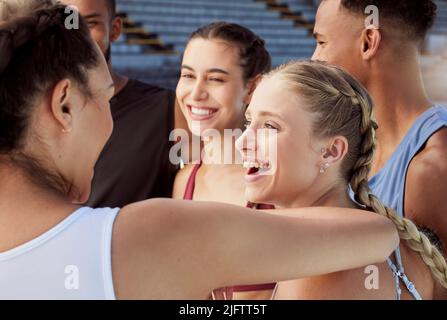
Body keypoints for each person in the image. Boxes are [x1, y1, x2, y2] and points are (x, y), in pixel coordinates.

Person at [0, 0, 399, 300]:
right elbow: (377, 233)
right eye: (106, 99)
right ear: (64, 104)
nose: (112, 121)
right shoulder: (143, 236)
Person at [236, 60, 447, 300]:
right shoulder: (401, 243)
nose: (241, 142)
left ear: (330, 151)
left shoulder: (320, 268)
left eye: (270, 126)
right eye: (248, 122)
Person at [311, 0, 447, 298]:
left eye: (321, 42)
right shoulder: (346, 147)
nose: (314, 59)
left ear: (368, 43)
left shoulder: (432, 167)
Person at [172, 22, 275, 300]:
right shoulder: (185, 182)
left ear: (252, 88)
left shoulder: (281, 182)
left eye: (215, 79)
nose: (195, 93)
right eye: (188, 76)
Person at [60, 0, 188, 208]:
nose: (77, 37)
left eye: (90, 24)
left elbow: (205, 183)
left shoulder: (167, 110)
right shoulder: (32, 113)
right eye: (68, 24)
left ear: (115, 29)